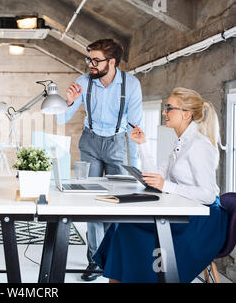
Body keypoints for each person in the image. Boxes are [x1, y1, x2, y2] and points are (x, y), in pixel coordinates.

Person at [93, 87, 228, 283]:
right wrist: (142, 144)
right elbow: (158, 176)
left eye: (169, 108)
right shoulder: (182, 141)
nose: (164, 112)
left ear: (186, 114)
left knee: (126, 227)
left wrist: (167, 186)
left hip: (202, 222)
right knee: (122, 224)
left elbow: (207, 195)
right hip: (186, 211)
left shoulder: (199, 145)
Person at [56, 39, 143, 281]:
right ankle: (95, 261)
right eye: (89, 59)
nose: (90, 64)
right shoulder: (84, 82)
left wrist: (135, 166)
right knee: (91, 199)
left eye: (96, 60)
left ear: (111, 62)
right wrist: (70, 101)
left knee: (119, 202)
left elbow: (136, 126)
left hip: (118, 143)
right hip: (91, 142)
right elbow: (61, 120)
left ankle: (115, 256)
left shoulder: (131, 85)